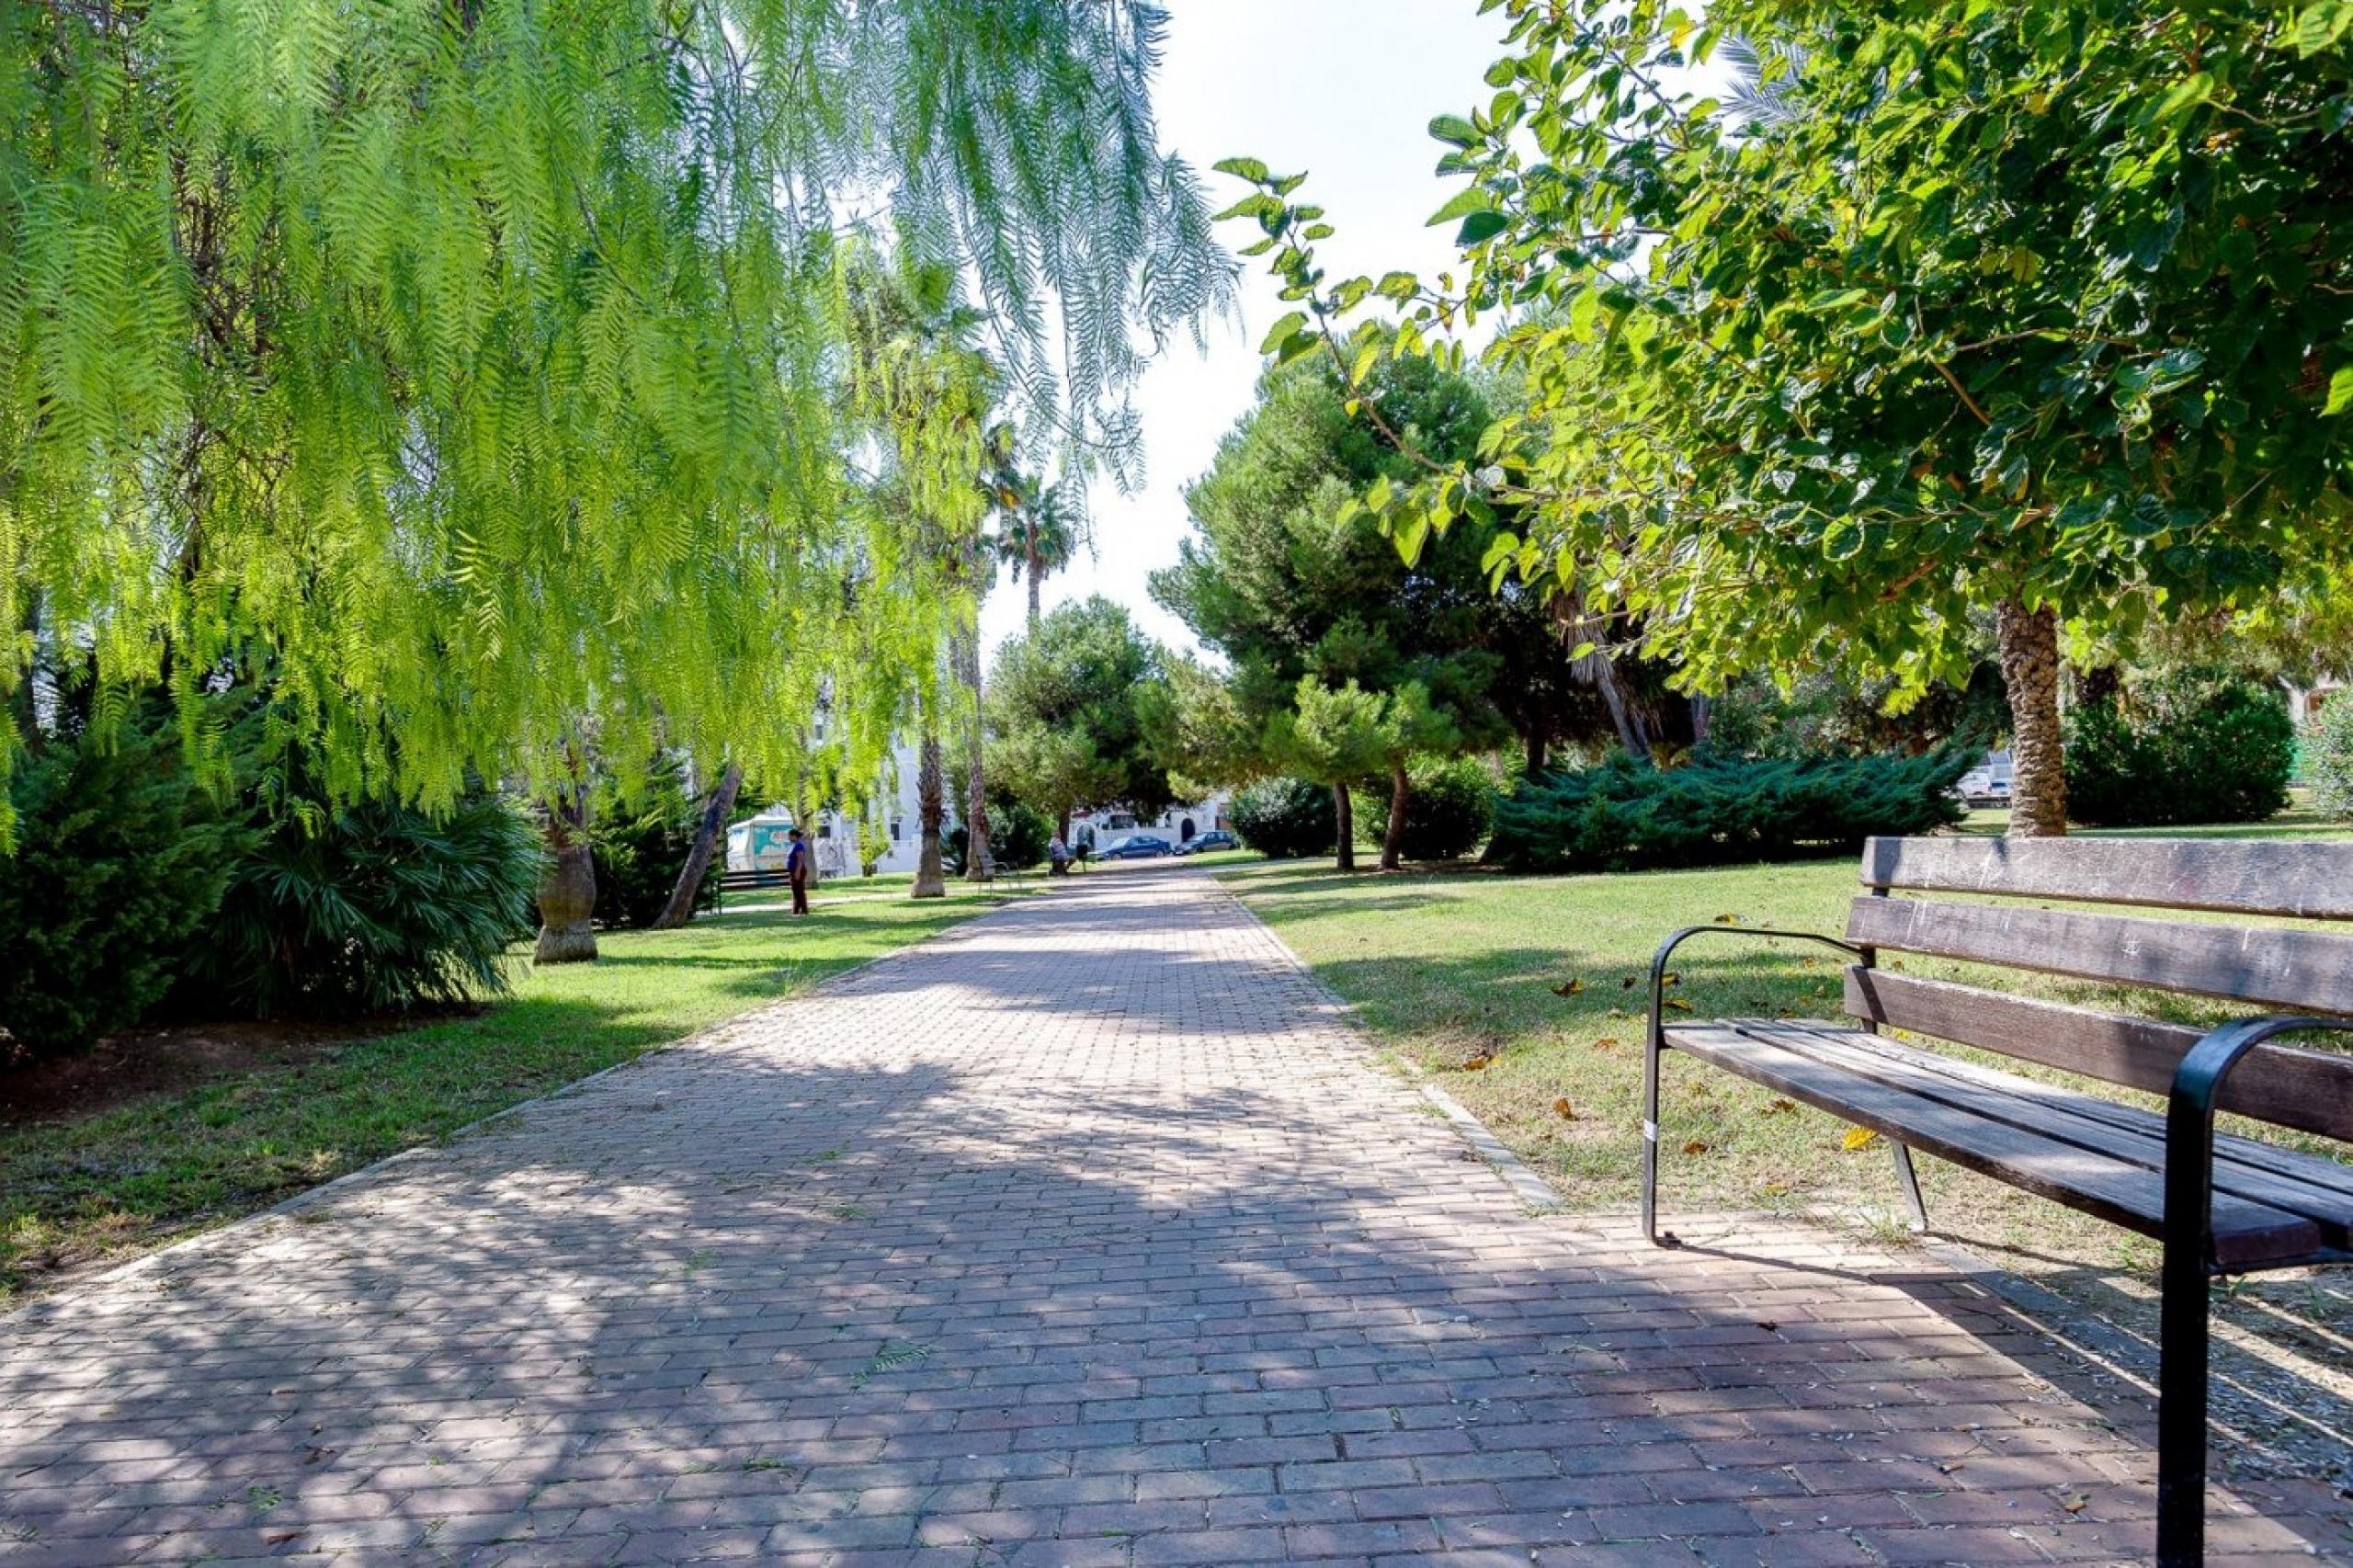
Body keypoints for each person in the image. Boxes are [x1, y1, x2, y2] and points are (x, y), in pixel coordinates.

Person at [786, 826, 811, 915]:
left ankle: (803, 910)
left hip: (798, 870)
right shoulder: (795, 845)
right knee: (795, 890)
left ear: (794, 836)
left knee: (799, 890)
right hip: (793, 870)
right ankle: (796, 909)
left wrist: (797, 871)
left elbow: (800, 859)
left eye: (789, 836)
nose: (788, 838)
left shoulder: (799, 845)